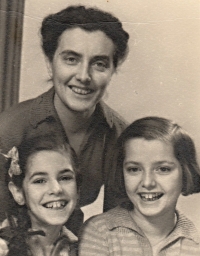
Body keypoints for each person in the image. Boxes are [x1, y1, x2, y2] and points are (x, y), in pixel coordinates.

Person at [0, 5, 129, 229]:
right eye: (71, 59)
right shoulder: (11, 128)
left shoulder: (120, 137)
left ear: (112, 71)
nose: (83, 76)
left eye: (99, 64)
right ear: (50, 64)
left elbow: (118, 226)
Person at [79, 116, 200, 256]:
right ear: (121, 173)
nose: (147, 182)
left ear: (185, 172)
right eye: (134, 169)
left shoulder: (196, 246)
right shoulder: (100, 233)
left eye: (163, 169)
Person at [0, 134, 83, 256]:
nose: (56, 189)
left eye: (65, 178)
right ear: (18, 193)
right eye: (40, 181)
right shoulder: (3, 248)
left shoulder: (83, 252)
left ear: (78, 189)